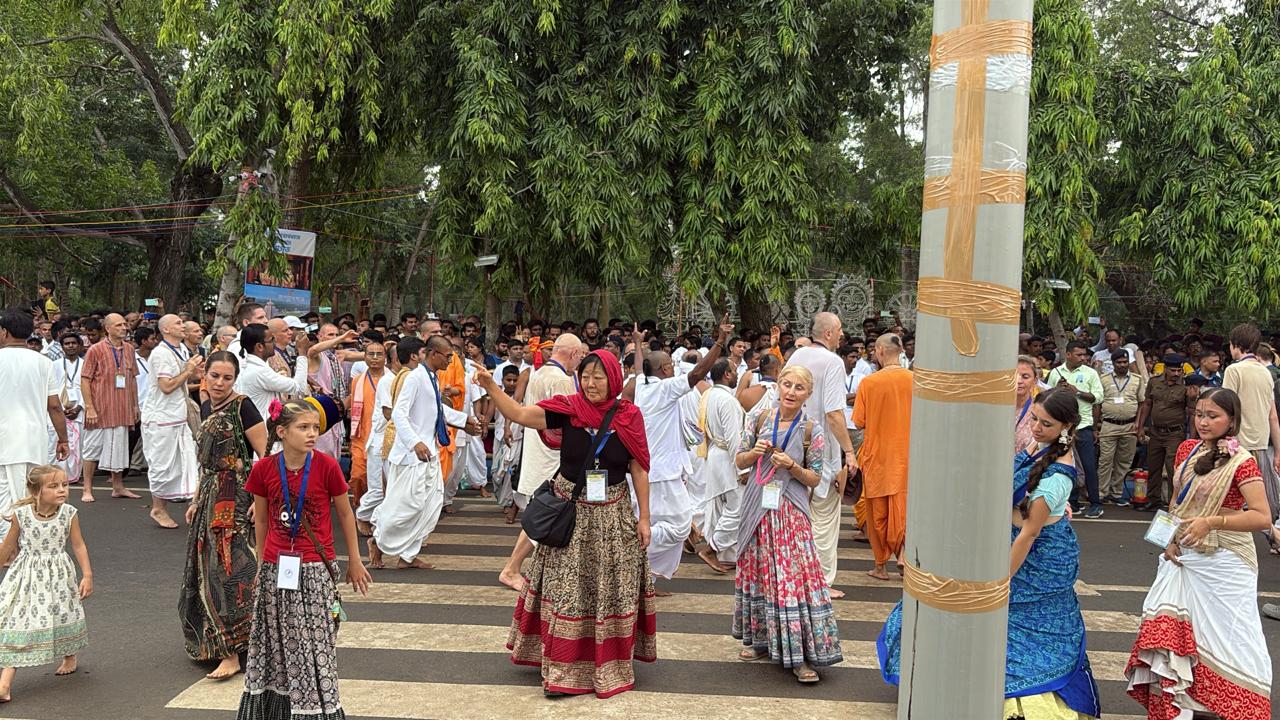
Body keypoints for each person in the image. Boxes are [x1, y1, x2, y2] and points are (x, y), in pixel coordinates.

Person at [883, 387, 1102, 717]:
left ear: (1067, 427)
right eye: (1034, 419)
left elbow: (1029, 534)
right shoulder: (1040, 447)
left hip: (1035, 558)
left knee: (1012, 622)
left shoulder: (1057, 476)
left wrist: (1001, 581)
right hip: (1010, 544)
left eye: (1046, 424)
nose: (1036, 428)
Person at [475, 350, 655, 698]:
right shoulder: (568, 409)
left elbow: (638, 468)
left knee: (608, 589)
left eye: (598, 377)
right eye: (585, 376)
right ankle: (563, 667)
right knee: (567, 590)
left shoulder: (629, 416)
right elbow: (520, 414)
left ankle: (607, 662)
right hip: (571, 515)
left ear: (614, 380)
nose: (590, 383)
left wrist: (644, 518)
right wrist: (491, 388)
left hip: (613, 517)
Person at [1125, 387, 1272, 719]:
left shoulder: (1242, 461)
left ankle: (1238, 708)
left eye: (1213, 416)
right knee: (1172, 635)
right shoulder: (1187, 450)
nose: (1203, 422)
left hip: (1226, 561)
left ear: (1231, 420)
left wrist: (1212, 522)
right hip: (1183, 556)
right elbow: (1176, 503)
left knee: (1231, 639)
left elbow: (1262, 516)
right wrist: (1170, 539)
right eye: (1200, 415)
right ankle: (1181, 707)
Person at [236, 399, 371, 720]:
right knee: (276, 641)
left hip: (315, 568)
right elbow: (261, 521)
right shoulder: (264, 469)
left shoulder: (327, 466)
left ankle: (316, 709)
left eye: (315, 428)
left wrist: (355, 560)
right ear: (282, 432)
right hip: (275, 567)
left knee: (314, 643)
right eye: (303, 427)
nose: (312, 434)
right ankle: (279, 709)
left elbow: (345, 514)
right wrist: (262, 565)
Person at [732, 364, 842, 683]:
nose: (791, 392)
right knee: (760, 573)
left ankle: (799, 653)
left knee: (791, 579)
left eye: (799, 387)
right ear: (778, 385)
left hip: (790, 511)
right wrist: (754, 453)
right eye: (787, 384)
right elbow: (739, 459)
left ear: (808, 394)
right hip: (757, 506)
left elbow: (815, 477)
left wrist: (792, 465)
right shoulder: (758, 418)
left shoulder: (812, 430)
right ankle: (761, 640)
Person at [179, 351, 268, 681]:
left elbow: (264, 456)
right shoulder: (206, 407)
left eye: (227, 378)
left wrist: (260, 500)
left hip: (237, 495)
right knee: (207, 569)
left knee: (231, 569)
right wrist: (195, 500)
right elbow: (206, 464)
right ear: (205, 374)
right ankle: (221, 645)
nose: (219, 383)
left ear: (235, 379)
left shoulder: (243, 407)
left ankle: (237, 649)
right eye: (214, 376)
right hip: (209, 496)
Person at [633, 317, 730, 586]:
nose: (674, 369)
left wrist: (637, 344)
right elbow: (697, 374)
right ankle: (631, 549)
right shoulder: (665, 388)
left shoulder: (642, 384)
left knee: (658, 525)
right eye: (671, 366)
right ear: (666, 369)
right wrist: (719, 342)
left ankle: (645, 579)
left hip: (652, 472)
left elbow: (640, 368)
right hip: (662, 475)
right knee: (679, 528)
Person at [370, 336, 480, 570]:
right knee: (403, 507)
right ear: (433, 354)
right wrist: (415, 443)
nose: (450, 361)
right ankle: (377, 543)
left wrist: (465, 421)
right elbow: (399, 414)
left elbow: (437, 412)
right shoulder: (415, 377)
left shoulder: (432, 378)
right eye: (447, 356)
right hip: (411, 456)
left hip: (429, 453)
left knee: (430, 506)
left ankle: (408, 556)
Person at [497, 334, 583, 591]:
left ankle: (527, 569)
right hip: (554, 457)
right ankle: (512, 568)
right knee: (548, 514)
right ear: (574, 354)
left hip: (540, 451)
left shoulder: (539, 373)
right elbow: (572, 420)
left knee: (547, 514)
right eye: (580, 358)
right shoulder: (560, 379)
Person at [0, 465, 92, 702]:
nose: (62, 490)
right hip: (26, 577)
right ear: (36, 491)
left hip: (59, 575)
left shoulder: (69, 513)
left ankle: (69, 655)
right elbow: (8, 546)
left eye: (65, 485)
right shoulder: (22, 515)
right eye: (54, 486)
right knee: (19, 622)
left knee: (63, 613)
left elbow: (78, 544)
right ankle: (4, 684)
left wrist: (87, 575)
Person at [784, 313, 859, 597]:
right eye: (839, 330)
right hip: (821, 449)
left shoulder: (796, 356)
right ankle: (820, 581)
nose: (842, 335)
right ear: (828, 333)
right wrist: (849, 452)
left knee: (799, 516)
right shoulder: (832, 362)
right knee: (824, 518)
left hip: (792, 447)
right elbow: (834, 413)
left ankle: (798, 576)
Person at [0, 310, 69, 538]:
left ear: (4, 332)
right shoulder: (43, 362)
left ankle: (8, 545)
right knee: (33, 494)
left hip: (4, 439)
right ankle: (28, 540)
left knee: (5, 496)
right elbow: (55, 406)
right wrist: (63, 439)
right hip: (34, 440)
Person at [851, 333, 913, 581]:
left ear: (880, 350)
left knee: (878, 513)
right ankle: (903, 554)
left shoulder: (869, 383)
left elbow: (859, 421)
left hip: (877, 456)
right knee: (904, 508)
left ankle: (880, 566)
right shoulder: (915, 380)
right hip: (907, 455)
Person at [141, 314, 205, 528]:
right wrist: (188, 370)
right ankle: (158, 508)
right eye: (178, 323)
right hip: (161, 418)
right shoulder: (160, 353)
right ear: (166, 329)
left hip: (178, 416)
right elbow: (167, 386)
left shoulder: (182, 349)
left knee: (185, 462)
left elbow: (185, 377)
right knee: (162, 464)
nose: (183, 325)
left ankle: (192, 505)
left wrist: (198, 372)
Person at [1221, 324, 1280, 554]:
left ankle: (1269, 535)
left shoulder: (1233, 370)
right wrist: (1278, 452)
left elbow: (1225, 409)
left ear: (1235, 345)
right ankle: (1274, 535)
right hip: (1262, 445)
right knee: (1263, 500)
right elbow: (1272, 416)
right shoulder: (1266, 373)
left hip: (1236, 445)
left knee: (1225, 496)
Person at [79, 313, 139, 504]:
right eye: (119, 325)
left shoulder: (129, 349)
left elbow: (132, 379)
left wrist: (135, 405)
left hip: (122, 407)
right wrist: (89, 407)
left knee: (119, 448)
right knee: (92, 449)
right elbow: (85, 379)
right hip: (100, 407)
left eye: (124, 325)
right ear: (108, 328)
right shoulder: (95, 350)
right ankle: (87, 489)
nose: (124, 328)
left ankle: (118, 486)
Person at [694, 359, 745, 573]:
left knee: (720, 507)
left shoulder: (709, 395)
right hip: (727, 457)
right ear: (727, 374)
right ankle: (712, 549)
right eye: (734, 371)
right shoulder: (727, 400)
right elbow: (734, 438)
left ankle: (727, 556)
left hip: (715, 454)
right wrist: (742, 468)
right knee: (737, 508)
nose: (737, 375)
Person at [1046, 341, 1105, 518]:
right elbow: (1046, 397)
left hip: (1083, 426)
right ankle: (1072, 502)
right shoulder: (1056, 372)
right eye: (1079, 355)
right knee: (1065, 465)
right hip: (1063, 428)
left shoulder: (1090, 373)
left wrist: (1076, 392)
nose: (1083, 358)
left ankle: (1095, 503)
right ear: (1068, 355)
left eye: (1084, 355)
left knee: (1088, 466)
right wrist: (1057, 390)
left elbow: (1098, 397)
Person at [1137, 355, 1194, 512]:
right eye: (1173, 370)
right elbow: (1147, 404)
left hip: (1175, 433)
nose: (1176, 374)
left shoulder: (1185, 385)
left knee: (1172, 469)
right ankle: (1153, 500)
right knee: (1153, 466)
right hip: (1155, 432)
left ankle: (1172, 503)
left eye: (1179, 371)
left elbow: (1191, 412)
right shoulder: (1154, 382)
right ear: (1165, 369)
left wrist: (1193, 437)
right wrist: (1140, 427)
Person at [1098, 350, 1147, 507]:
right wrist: (1095, 426)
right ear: (1113, 364)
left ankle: (1116, 493)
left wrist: (1138, 424)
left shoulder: (1137, 380)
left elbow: (1142, 403)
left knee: (1124, 461)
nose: (1122, 365)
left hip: (1129, 426)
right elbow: (1098, 403)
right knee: (1105, 460)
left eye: (1125, 362)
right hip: (1109, 425)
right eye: (1118, 362)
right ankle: (1101, 493)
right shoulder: (1103, 379)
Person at [234, 323, 311, 422]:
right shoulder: (259, 371)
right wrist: (302, 352)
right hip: (262, 428)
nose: (275, 343)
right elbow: (299, 387)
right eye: (271, 340)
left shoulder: (252, 366)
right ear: (259, 346)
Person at [347, 339, 387, 513]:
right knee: (358, 475)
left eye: (379, 354)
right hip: (361, 435)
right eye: (371, 354)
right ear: (364, 357)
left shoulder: (392, 380)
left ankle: (377, 512)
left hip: (384, 436)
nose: (375, 358)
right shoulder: (357, 380)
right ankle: (361, 506)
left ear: (385, 358)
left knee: (382, 478)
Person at [56, 332, 86, 485]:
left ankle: (76, 475)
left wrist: (79, 407)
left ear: (79, 345)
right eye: (67, 344)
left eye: (73, 343)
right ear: (62, 347)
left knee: (79, 444)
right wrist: (61, 408)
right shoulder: (54, 365)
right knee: (59, 441)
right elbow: (52, 389)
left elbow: (90, 389)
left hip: (80, 408)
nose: (70, 346)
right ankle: (60, 475)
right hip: (60, 409)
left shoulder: (86, 364)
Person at [1014, 355, 1039, 452]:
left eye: (1025, 377)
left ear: (1035, 380)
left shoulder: (1039, 411)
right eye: (1014, 376)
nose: (1019, 381)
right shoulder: (995, 409)